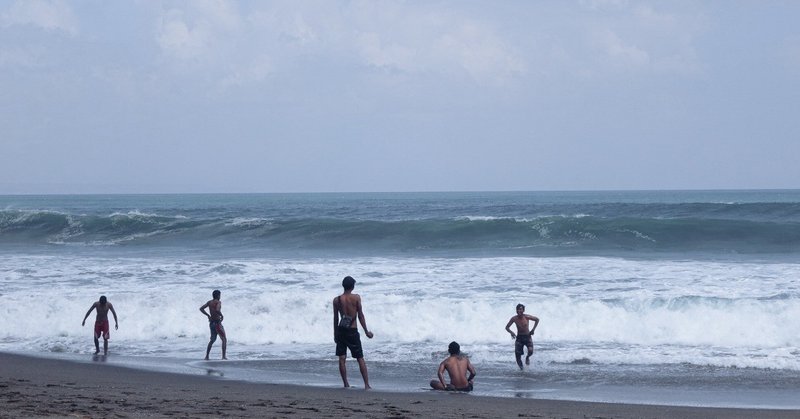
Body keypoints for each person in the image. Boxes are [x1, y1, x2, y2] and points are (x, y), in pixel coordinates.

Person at [333, 275, 374, 389]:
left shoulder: (337, 300)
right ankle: (366, 384)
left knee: (342, 358)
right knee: (359, 357)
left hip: (341, 331)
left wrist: (335, 334)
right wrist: (366, 331)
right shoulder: (356, 298)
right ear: (352, 286)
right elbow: (360, 315)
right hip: (352, 331)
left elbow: (336, 319)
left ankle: (346, 384)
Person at [505, 303, 540, 370]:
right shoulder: (514, 318)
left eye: (520, 309)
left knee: (530, 351)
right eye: (517, 309)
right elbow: (507, 327)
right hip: (519, 338)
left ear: (523, 310)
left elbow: (537, 319)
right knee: (518, 357)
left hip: (527, 337)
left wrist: (533, 330)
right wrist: (511, 332)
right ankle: (522, 370)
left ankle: (527, 357)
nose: (519, 311)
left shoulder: (527, 317)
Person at [200, 289, 227, 360]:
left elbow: (201, 308)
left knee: (212, 340)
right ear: (218, 295)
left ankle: (207, 356)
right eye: (220, 295)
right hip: (217, 324)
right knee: (224, 339)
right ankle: (223, 357)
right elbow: (217, 310)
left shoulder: (209, 302)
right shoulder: (218, 302)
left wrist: (208, 315)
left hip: (211, 323)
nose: (220, 296)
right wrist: (222, 315)